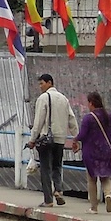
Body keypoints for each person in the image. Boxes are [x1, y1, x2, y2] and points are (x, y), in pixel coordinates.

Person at [29, 73, 78, 207]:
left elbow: (38, 121)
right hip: (60, 139)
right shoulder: (63, 99)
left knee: (45, 168)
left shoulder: (43, 98)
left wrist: (32, 139)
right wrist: (76, 138)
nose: (40, 86)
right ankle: (58, 190)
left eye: (42, 83)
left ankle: (48, 200)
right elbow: (71, 119)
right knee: (57, 166)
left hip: (46, 138)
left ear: (49, 82)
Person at [73, 92, 111, 214]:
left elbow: (82, 135)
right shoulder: (108, 116)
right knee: (105, 177)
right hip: (106, 151)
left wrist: (75, 139)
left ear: (91, 103)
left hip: (91, 152)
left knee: (91, 179)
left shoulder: (88, 118)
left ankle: (94, 207)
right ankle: (108, 195)